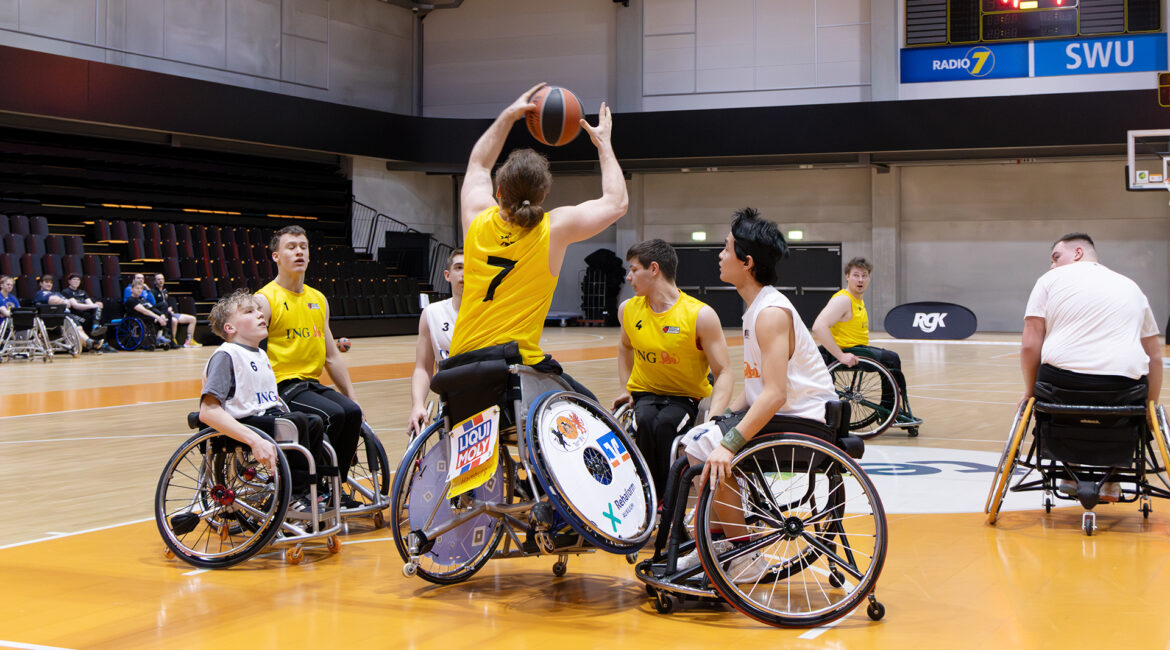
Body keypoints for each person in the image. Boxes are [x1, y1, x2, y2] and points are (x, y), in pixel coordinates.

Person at [676, 208, 838, 581]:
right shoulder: (756, 310)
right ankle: (716, 546)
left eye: (727, 248)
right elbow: (754, 389)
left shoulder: (770, 314)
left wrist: (729, 441)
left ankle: (743, 554)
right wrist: (719, 421)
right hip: (785, 416)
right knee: (698, 440)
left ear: (746, 262)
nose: (719, 254)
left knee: (713, 450)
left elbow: (775, 394)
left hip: (804, 424)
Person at [449, 83, 627, 401]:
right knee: (588, 410)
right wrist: (603, 144)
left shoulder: (476, 217)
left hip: (460, 366)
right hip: (514, 369)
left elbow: (478, 165)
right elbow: (616, 203)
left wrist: (507, 117)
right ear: (544, 195)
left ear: (499, 191)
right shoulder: (553, 229)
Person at [1021, 232, 1162, 502]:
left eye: (1056, 257)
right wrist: (1150, 407)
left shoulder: (1049, 280)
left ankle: (1068, 472)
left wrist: (1029, 393)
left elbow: (1030, 345)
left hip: (1061, 387)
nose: (1052, 265)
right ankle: (1113, 480)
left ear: (1077, 253)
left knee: (1049, 390)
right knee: (1130, 402)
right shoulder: (1131, 286)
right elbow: (1154, 357)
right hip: (1123, 389)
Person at [613, 238, 733, 497]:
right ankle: (651, 497)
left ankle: (668, 501)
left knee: (666, 423)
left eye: (634, 270)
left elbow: (724, 372)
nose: (628, 277)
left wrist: (714, 420)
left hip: (684, 397)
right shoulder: (628, 310)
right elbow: (625, 348)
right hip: (646, 393)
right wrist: (625, 388)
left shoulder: (699, 315)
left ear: (654, 269)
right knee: (645, 421)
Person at [256, 225, 362, 506]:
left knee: (351, 411)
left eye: (303, 246)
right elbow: (251, 354)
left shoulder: (318, 299)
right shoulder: (265, 299)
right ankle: (308, 489)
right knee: (333, 415)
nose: (299, 251)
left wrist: (350, 393)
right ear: (276, 256)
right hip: (281, 386)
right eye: (291, 247)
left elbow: (332, 356)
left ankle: (335, 491)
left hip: (310, 384)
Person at [200, 289, 326, 512]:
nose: (260, 314)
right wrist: (255, 441)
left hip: (265, 418)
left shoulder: (259, 354)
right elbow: (208, 412)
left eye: (259, 310)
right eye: (250, 311)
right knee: (297, 421)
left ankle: (311, 490)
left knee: (314, 421)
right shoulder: (226, 355)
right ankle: (292, 497)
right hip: (243, 422)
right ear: (230, 328)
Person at [811, 257, 920, 426]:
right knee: (891, 358)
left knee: (891, 358)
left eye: (864, 275)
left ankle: (892, 409)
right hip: (847, 351)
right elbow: (818, 327)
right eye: (856, 275)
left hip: (858, 349)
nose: (860, 280)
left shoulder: (857, 300)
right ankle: (891, 411)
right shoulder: (843, 299)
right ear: (847, 276)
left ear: (869, 278)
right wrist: (840, 356)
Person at [407, 249, 464, 436]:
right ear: (447, 275)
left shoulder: (491, 312)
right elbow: (423, 368)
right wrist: (417, 405)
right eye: (459, 267)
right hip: (450, 404)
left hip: (487, 401)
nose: (464, 273)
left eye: (472, 268)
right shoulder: (432, 313)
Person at [34, 274, 96, 351]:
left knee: (79, 328)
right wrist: (63, 301)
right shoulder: (40, 293)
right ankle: (91, 343)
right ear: (41, 283)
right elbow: (53, 300)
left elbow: (69, 304)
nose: (49, 284)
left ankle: (91, 343)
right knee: (74, 328)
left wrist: (62, 301)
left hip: (65, 315)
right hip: (53, 317)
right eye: (46, 282)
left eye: (50, 282)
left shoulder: (57, 293)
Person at [151, 273, 201, 348]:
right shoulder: (153, 292)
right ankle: (172, 340)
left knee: (192, 319)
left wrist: (170, 308)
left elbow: (169, 304)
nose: (161, 281)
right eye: (158, 279)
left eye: (162, 279)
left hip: (171, 313)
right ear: (155, 281)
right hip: (162, 315)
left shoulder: (165, 291)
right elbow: (155, 306)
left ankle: (189, 341)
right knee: (174, 321)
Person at [61, 274, 105, 339]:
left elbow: (90, 304)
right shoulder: (66, 291)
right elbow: (76, 306)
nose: (76, 281)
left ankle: (96, 327)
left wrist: (96, 305)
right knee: (92, 317)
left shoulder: (82, 292)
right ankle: (92, 338)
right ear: (69, 281)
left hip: (85, 313)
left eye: (78, 280)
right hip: (75, 314)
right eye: (74, 279)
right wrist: (94, 305)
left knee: (99, 312)